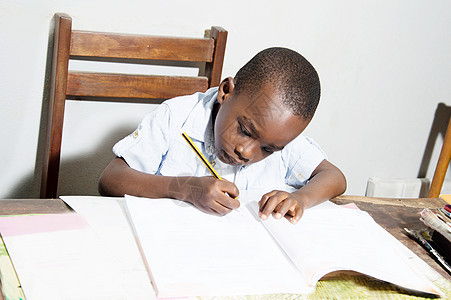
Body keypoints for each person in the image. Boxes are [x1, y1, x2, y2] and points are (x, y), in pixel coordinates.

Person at [98, 47, 346, 224]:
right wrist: (185, 188)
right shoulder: (176, 117)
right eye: (245, 131)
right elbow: (110, 179)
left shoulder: (279, 138)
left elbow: (334, 177)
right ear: (226, 92)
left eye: (268, 150)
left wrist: (300, 198)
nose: (247, 152)